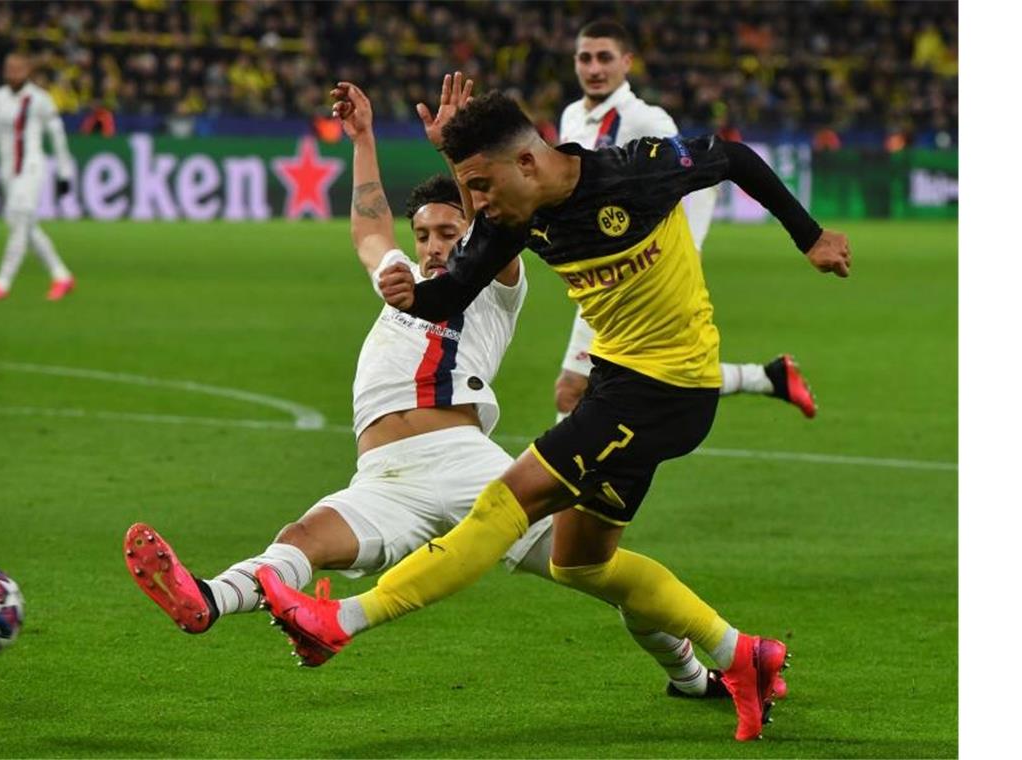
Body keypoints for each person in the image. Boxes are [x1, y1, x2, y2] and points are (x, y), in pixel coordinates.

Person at [260, 85, 850, 742]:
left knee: (502, 504)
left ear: (529, 164)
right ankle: (743, 654)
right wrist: (412, 294)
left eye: (482, 186)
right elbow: (451, 291)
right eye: (468, 189)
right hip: (618, 382)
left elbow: (734, 158)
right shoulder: (513, 216)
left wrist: (811, 235)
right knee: (582, 563)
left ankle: (339, 623)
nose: (477, 206)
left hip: (666, 390)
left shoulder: (640, 170)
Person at [124, 75, 743, 700]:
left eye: (448, 232)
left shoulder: (492, 279)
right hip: (384, 474)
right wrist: (362, 137)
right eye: (423, 234)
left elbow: (490, 214)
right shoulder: (405, 283)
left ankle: (692, 673)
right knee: (301, 540)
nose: (434, 245)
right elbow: (370, 227)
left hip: (464, 463)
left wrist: (452, 151)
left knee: (593, 569)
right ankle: (207, 599)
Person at [554, 20, 815, 421]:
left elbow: (692, 181)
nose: (594, 68)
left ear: (627, 62)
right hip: (600, 274)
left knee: (576, 388)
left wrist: (686, 249)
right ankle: (768, 378)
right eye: (585, 58)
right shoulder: (572, 115)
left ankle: (564, 480)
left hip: (636, 272)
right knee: (643, 378)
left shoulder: (646, 119)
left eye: (605, 58)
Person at [0, 53, 76, 301]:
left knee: (19, 223)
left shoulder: (40, 99)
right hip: (8, 170)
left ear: (28, 70)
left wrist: (65, 171)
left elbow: (57, 137)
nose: (13, 73)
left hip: (31, 168)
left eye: (18, 69)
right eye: (9, 68)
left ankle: (2, 283)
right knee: (24, 226)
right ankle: (62, 276)